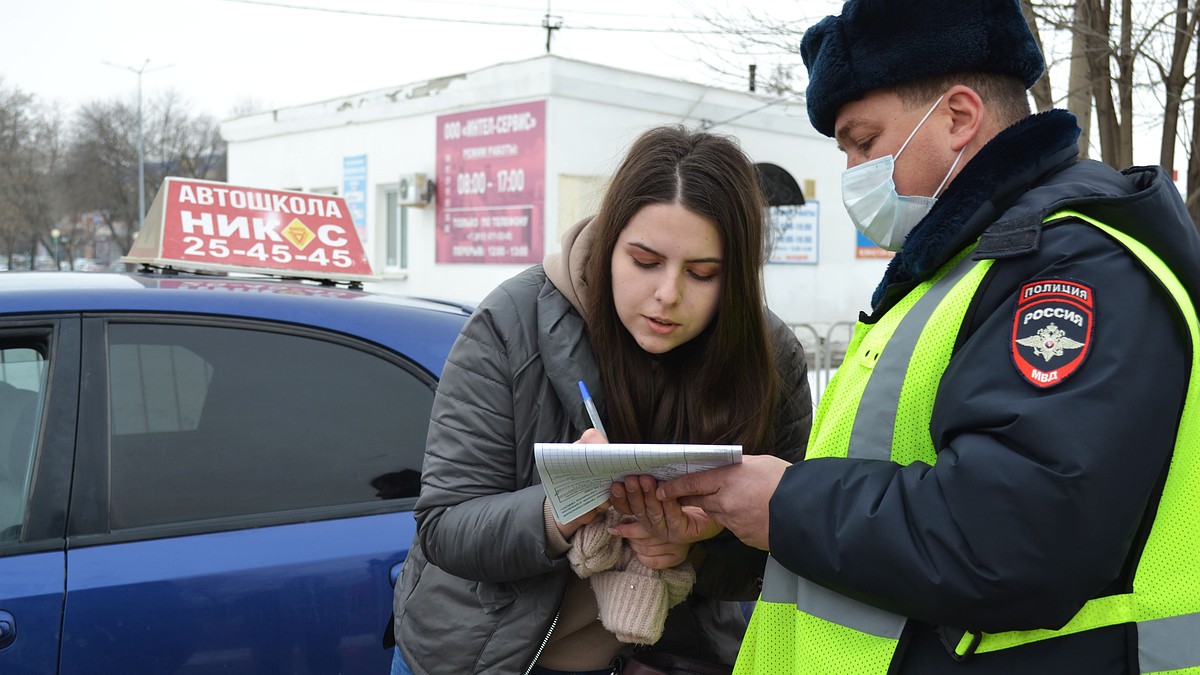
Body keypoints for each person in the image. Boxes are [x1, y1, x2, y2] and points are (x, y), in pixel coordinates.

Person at [657, 0, 1200, 673]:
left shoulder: (1075, 269)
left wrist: (785, 502)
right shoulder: (956, 273)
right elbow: (882, 493)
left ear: (958, 117)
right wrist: (734, 524)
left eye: (864, 141)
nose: (853, 170)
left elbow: (1015, 537)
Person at [389, 124, 813, 675]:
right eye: (644, 261)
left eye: (703, 273)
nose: (668, 294)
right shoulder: (511, 323)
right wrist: (558, 508)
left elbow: (788, 544)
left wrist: (698, 547)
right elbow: (445, 524)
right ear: (611, 242)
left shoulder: (769, 354)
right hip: (485, 658)